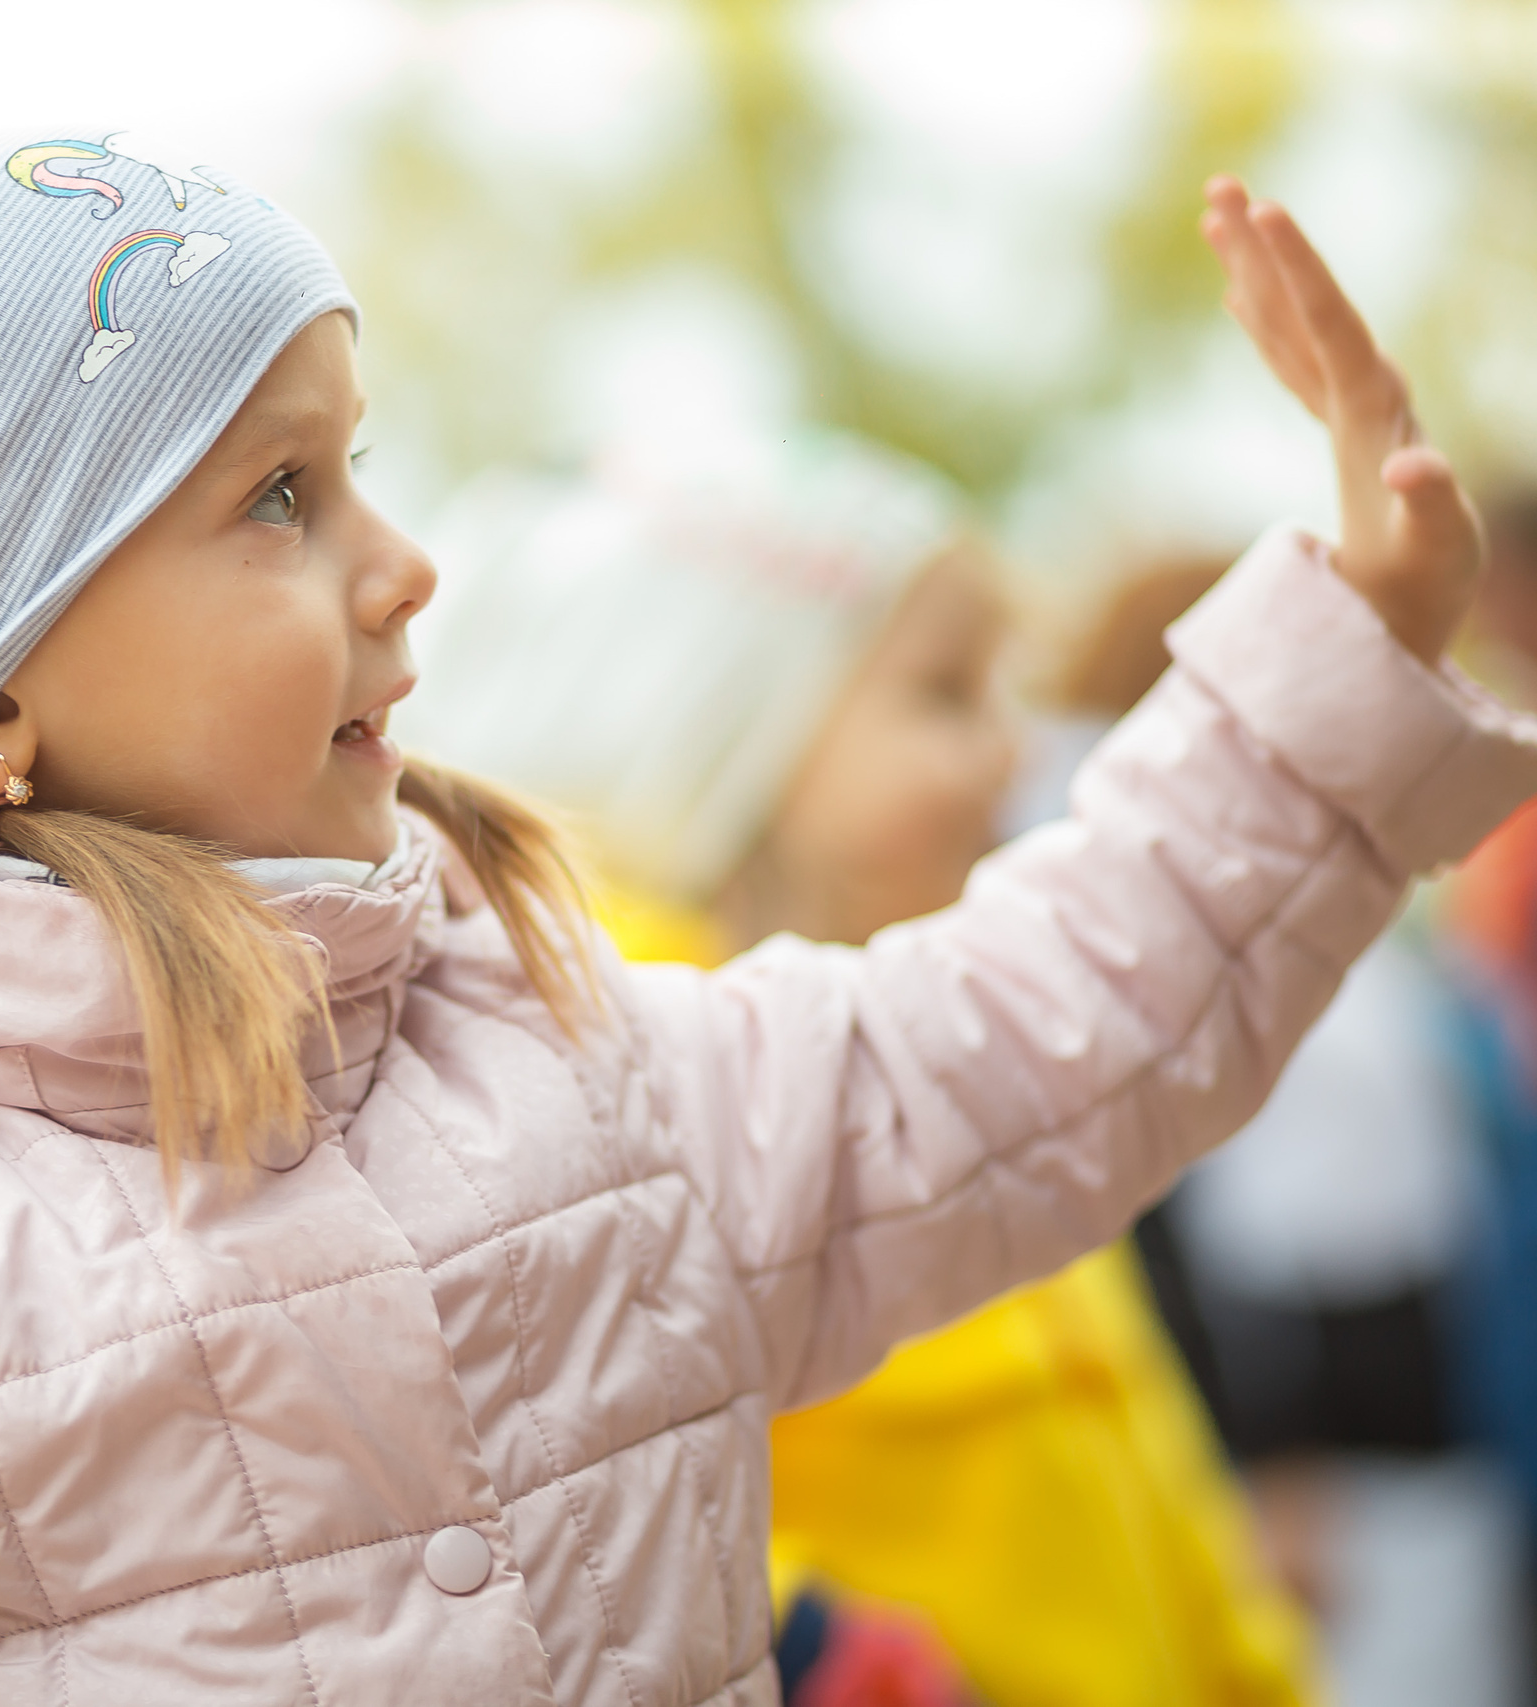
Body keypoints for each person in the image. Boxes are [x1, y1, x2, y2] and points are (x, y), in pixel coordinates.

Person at [0, 110, 1527, 1707]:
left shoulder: (555, 1048)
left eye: (354, 466)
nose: (399, 561)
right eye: (277, 497)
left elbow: (1023, 1037)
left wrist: (1331, 664)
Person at [411, 440, 1317, 1706]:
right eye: (944, 694)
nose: (1010, 752)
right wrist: (812, 1643)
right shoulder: (584, 1084)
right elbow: (519, 1511)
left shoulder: (946, 1052)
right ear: (716, 714)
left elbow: (1160, 1487)